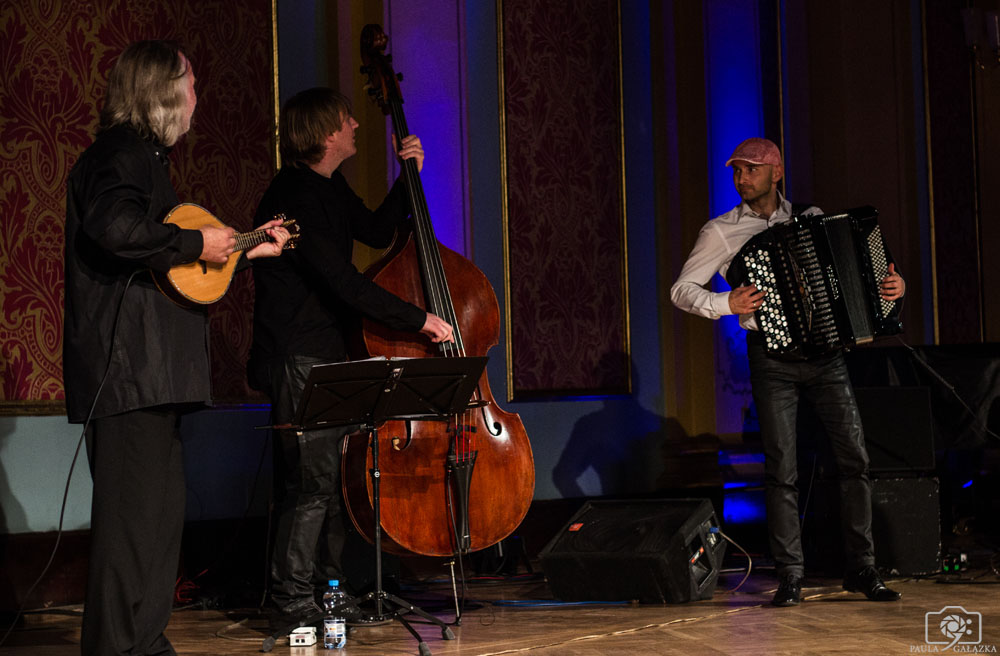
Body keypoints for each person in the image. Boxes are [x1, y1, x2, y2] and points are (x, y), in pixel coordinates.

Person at [64, 40, 290, 655]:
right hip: (127, 374)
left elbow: (170, 266)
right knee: (129, 529)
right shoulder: (119, 154)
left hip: (152, 375)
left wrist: (244, 250)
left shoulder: (147, 161)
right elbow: (114, 228)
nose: (197, 97)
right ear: (162, 91)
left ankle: (144, 644)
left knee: (158, 526)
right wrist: (196, 244)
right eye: (190, 83)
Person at [247, 87, 453, 623]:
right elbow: (343, 283)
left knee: (332, 483)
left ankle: (328, 593)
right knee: (311, 484)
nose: (356, 124)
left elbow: (378, 231)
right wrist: (418, 319)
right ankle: (293, 602)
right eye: (346, 119)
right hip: (297, 353)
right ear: (325, 133)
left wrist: (408, 176)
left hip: (326, 351)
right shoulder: (292, 194)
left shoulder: (329, 184)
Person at [670, 137, 905, 607]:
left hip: (827, 356)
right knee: (782, 469)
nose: (742, 178)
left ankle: (863, 568)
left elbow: (855, 278)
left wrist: (892, 289)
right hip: (772, 358)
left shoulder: (811, 219)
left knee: (854, 459)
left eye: (752, 169)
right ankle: (790, 575)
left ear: (776, 172)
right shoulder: (720, 231)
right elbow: (681, 289)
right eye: (737, 170)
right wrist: (726, 302)